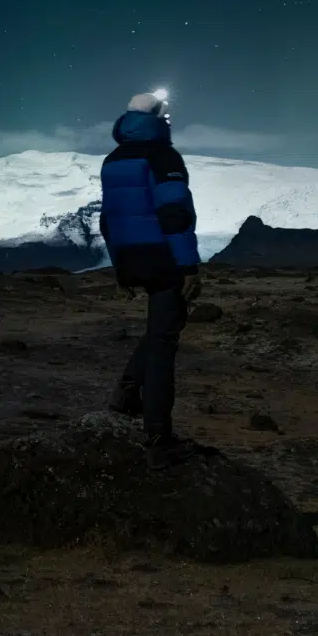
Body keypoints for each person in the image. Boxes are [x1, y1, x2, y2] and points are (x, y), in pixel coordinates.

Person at [98, 90, 203, 469]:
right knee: (164, 342)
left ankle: (126, 393)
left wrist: (118, 267)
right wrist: (189, 265)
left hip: (130, 257)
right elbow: (174, 212)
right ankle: (158, 438)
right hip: (162, 257)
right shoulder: (163, 156)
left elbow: (107, 219)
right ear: (160, 118)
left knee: (163, 326)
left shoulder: (113, 160)